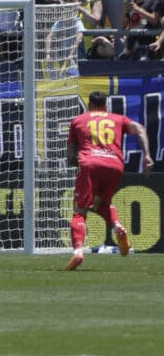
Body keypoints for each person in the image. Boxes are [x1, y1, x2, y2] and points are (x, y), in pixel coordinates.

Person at [64, 91, 154, 270]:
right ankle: (117, 226)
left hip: (90, 164)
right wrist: (147, 156)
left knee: (80, 211)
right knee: (100, 203)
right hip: (115, 166)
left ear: (89, 105)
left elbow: (71, 156)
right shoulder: (118, 119)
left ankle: (78, 252)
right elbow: (140, 129)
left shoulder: (78, 120)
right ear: (106, 106)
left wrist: (78, 162)